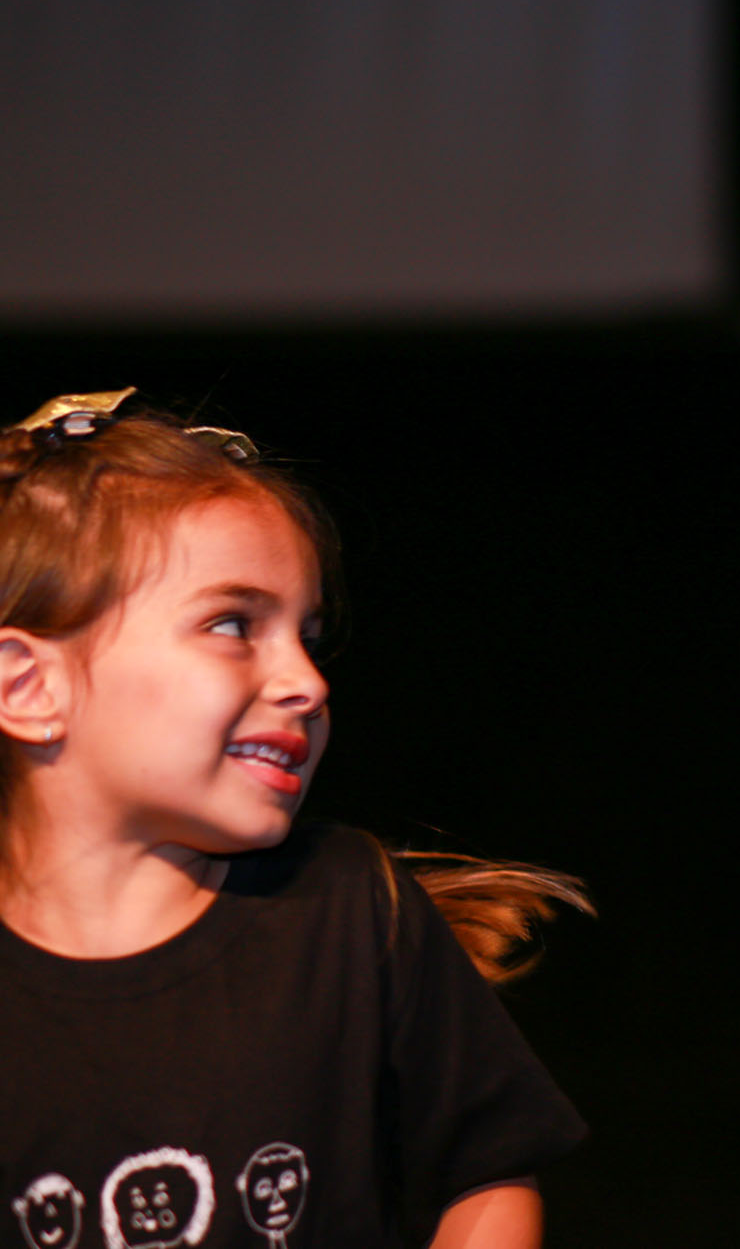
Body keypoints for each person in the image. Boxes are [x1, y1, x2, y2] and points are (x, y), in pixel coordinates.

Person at [0, 391, 586, 1249]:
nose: (308, 682)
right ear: (28, 687)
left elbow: (485, 1176)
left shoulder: (349, 909)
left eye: (307, 636)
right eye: (233, 625)